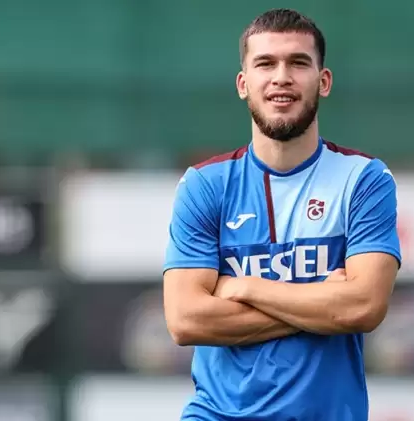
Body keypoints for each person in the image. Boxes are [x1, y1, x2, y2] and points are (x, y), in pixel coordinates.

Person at [163, 8, 401, 421]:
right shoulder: (205, 185)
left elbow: (363, 307)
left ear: (323, 81)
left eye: (298, 63)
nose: (281, 77)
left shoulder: (364, 179)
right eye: (265, 63)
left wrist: (247, 287)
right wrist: (323, 304)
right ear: (243, 84)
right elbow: (186, 320)